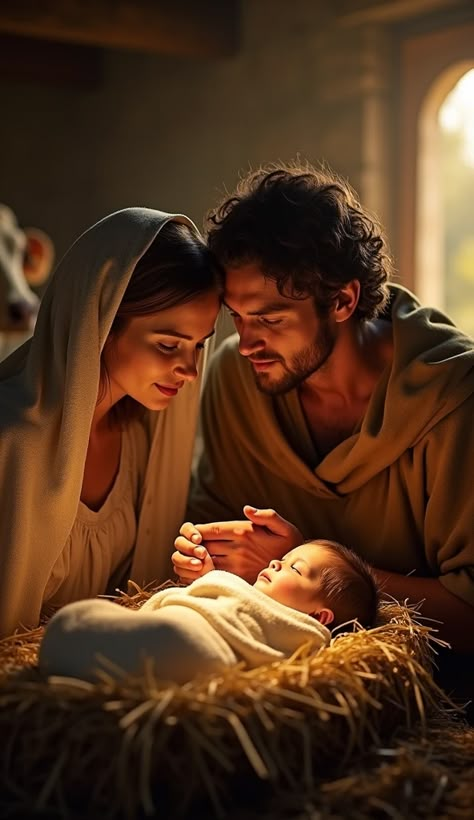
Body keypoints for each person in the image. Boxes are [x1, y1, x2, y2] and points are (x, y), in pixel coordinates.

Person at [173, 162, 474, 657]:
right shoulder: (235, 376)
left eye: (269, 318)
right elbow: (214, 528)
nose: (247, 343)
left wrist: (307, 561)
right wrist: (200, 558)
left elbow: (470, 616)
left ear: (342, 300)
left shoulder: (455, 398)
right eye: (238, 319)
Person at [0, 207, 222, 638]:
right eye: (168, 344)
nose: (190, 370)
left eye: (198, 346)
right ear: (100, 320)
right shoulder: (11, 444)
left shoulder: (142, 444)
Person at [38, 539, 379, 683]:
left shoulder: (304, 637)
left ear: (320, 617)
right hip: (178, 631)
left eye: (295, 568)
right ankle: (84, 648)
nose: (276, 562)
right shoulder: (245, 593)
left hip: (201, 650)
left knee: (169, 640)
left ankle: (81, 652)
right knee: (79, 616)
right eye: (284, 557)